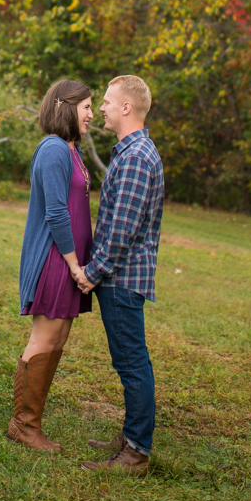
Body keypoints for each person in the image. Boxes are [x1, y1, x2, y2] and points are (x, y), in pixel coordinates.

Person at [74, 75, 164, 478]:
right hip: (123, 277)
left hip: (122, 280)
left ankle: (136, 454)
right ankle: (131, 437)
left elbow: (121, 229)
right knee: (128, 361)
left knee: (131, 364)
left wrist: (91, 273)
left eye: (108, 101)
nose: (102, 108)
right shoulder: (133, 152)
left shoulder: (135, 157)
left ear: (127, 107)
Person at [7, 78, 94, 453]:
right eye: (87, 106)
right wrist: (75, 266)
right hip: (55, 261)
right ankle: (23, 426)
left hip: (69, 261)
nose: (92, 113)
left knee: (58, 338)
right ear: (65, 107)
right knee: (43, 338)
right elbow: (57, 212)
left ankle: (30, 421)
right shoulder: (53, 149)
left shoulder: (72, 150)